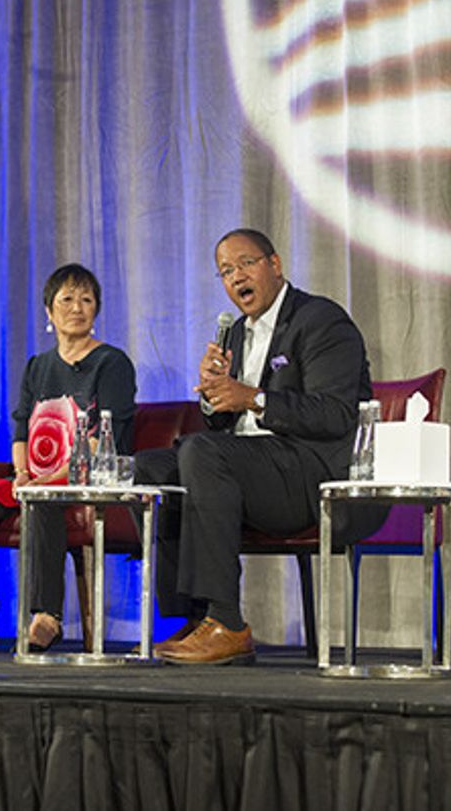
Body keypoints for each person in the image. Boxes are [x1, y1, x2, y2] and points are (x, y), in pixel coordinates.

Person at [135, 228, 372, 665]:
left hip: (309, 472)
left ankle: (228, 621)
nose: (236, 276)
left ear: (275, 264)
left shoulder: (321, 320)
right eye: (225, 271)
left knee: (200, 451)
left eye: (245, 263)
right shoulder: (238, 335)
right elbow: (227, 422)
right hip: (248, 467)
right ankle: (196, 617)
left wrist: (254, 397)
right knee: (147, 469)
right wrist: (213, 395)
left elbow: (336, 413)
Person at [0, 264, 136, 652]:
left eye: (87, 300)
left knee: (44, 502)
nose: (77, 308)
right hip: (34, 475)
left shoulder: (112, 363)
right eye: (67, 299)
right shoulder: (38, 366)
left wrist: (47, 481)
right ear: (49, 313)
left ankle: (46, 615)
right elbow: (21, 429)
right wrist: (22, 473)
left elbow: (101, 439)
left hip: (88, 481)